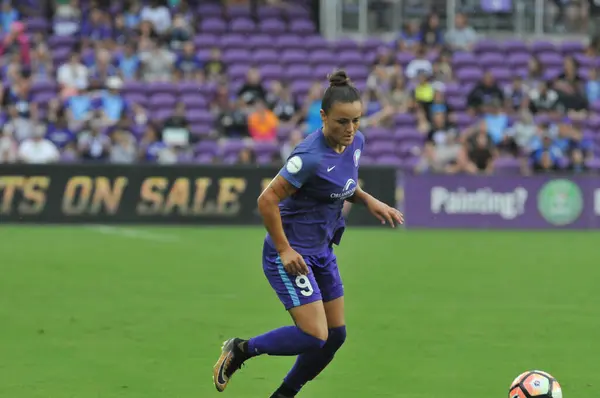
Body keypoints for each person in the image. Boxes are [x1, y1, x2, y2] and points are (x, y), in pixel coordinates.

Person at [212, 70, 404, 397]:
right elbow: (267, 199)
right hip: (288, 254)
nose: (350, 128)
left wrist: (368, 200)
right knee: (315, 334)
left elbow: (340, 185)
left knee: (336, 335)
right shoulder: (309, 157)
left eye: (356, 120)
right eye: (342, 121)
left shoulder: (356, 142)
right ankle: (240, 349)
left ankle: (284, 394)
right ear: (323, 116)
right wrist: (285, 250)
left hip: (321, 250)